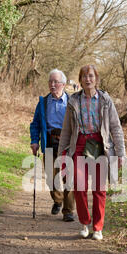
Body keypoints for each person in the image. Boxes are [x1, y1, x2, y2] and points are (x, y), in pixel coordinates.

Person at [58, 64, 125, 240]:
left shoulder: (105, 100)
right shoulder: (74, 101)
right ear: (80, 80)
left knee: (99, 189)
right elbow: (66, 130)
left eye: (91, 76)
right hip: (79, 144)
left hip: (100, 145)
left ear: (96, 79)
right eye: (84, 76)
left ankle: (98, 227)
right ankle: (85, 223)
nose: (88, 79)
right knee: (79, 187)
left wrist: (121, 153)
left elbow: (116, 128)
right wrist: (60, 155)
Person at [30, 69, 75, 221]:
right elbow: (35, 124)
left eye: (56, 82)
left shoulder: (72, 102)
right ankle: (58, 200)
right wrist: (34, 141)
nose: (52, 84)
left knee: (68, 178)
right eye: (50, 81)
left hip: (68, 144)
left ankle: (68, 211)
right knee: (51, 177)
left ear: (63, 84)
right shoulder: (43, 103)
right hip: (49, 141)